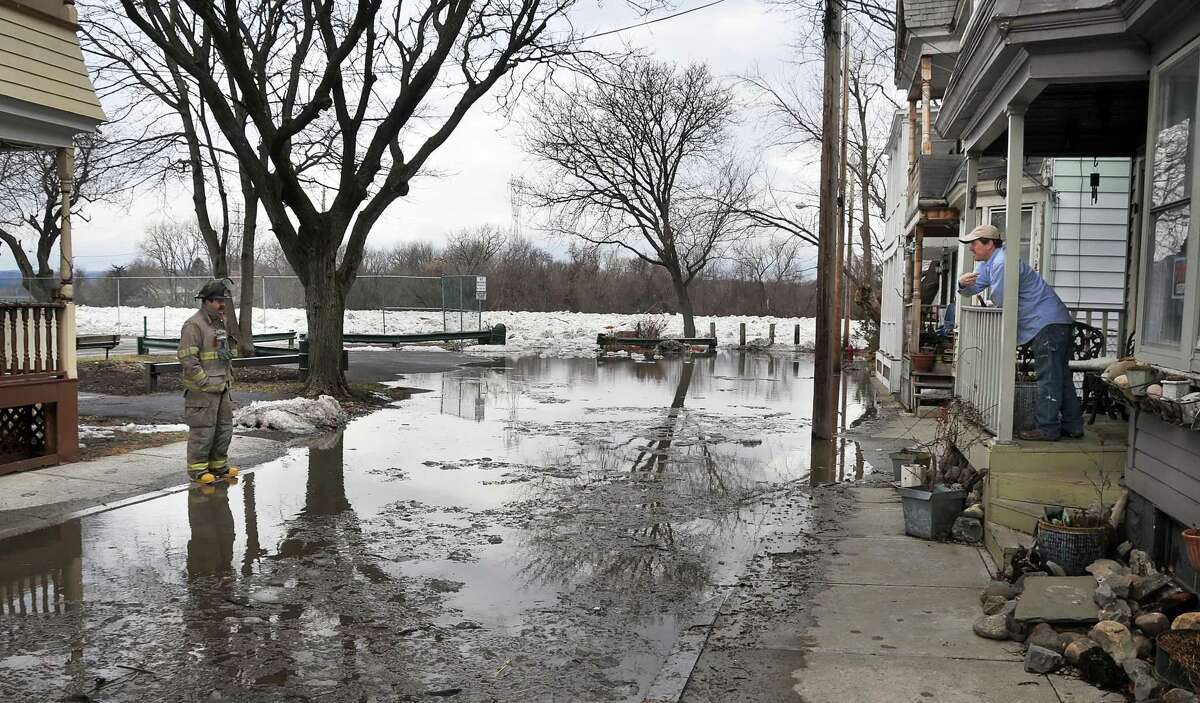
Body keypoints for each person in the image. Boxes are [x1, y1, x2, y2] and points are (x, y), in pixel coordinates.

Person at [957, 224, 1083, 441]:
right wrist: (961, 284)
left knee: (1049, 378)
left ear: (989, 244)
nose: (971, 249)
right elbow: (975, 288)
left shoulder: (1003, 263)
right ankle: (1073, 426)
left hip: (1048, 325)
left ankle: (1047, 429)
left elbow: (1001, 300)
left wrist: (991, 305)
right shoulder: (992, 263)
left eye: (974, 244)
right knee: (1060, 377)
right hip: (1054, 323)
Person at [178, 280, 240, 483]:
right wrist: (204, 382)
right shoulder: (193, 325)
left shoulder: (220, 323)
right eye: (217, 301)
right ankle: (198, 471)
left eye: (223, 300)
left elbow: (221, 353)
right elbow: (188, 359)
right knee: (203, 432)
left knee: (224, 429)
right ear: (205, 302)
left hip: (222, 387)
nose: (221, 304)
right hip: (203, 391)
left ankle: (218, 466)